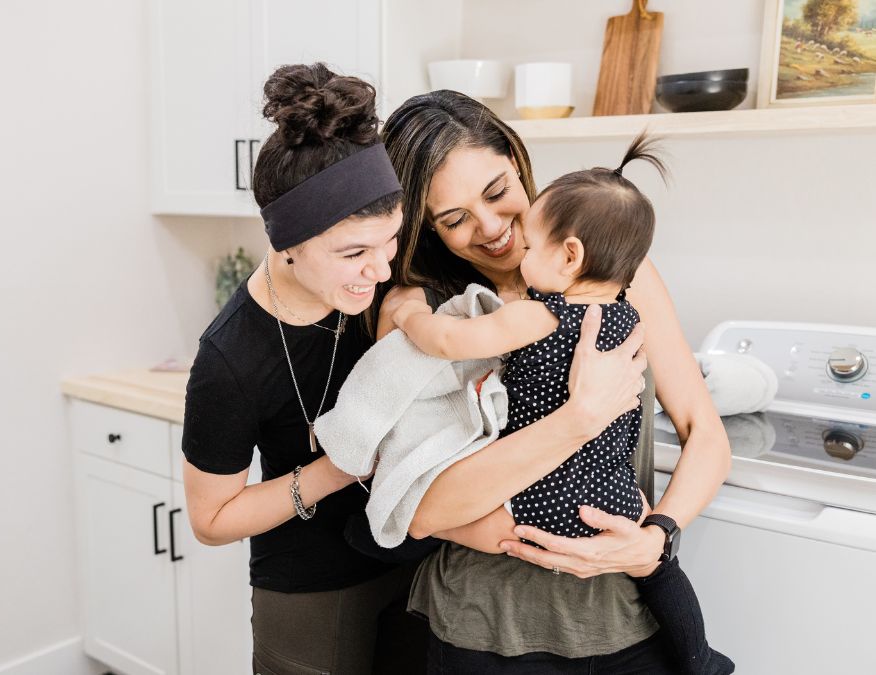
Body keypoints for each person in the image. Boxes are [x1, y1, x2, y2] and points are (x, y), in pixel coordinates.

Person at [374, 90, 733, 673]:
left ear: (518, 163)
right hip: (486, 626)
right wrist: (579, 419)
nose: (493, 228)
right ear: (426, 227)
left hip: (626, 618)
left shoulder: (619, 276)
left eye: (497, 192)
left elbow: (706, 434)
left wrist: (657, 536)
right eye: (455, 219)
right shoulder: (427, 312)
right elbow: (419, 509)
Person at [180, 63, 426, 675]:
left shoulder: (379, 287)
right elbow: (211, 520)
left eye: (390, 241)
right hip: (311, 591)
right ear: (287, 242)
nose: (379, 269)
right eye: (354, 253)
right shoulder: (231, 359)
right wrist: (338, 469)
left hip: (417, 565)